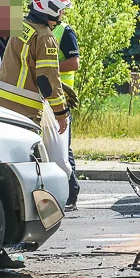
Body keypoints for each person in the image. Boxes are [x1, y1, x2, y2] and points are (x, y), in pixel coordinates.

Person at [0, 0, 71, 132]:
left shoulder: (21, 25)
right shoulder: (45, 36)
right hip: (22, 112)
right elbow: (46, 78)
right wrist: (61, 112)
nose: (62, 14)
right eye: (61, 10)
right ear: (51, 8)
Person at [54, 20, 81, 211]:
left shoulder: (64, 31)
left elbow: (74, 62)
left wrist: (47, 66)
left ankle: (71, 193)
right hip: (45, 94)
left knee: (63, 147)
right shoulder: (39, 28)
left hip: (61, 96)